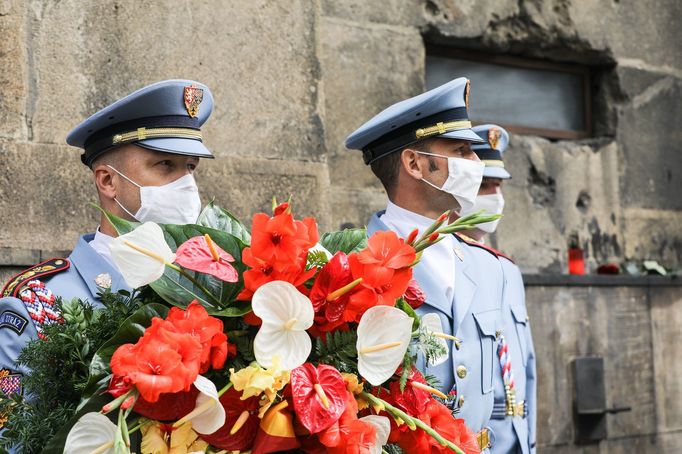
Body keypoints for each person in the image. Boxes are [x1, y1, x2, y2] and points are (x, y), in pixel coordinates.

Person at [0, 79, 215, 434]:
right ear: (107, 181)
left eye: (190, 167)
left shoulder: (209, 287)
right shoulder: (39, 304)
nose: (185, 185)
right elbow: (15, 437)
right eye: (165, 165)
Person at [345, 78, 504, 451]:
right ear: (414, 163)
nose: (476, 164)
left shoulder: (486, 267)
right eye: (462, 151)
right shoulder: (350, 269)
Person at [458, 125, 537, 453]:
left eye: (498, 186)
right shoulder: (441, 264)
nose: (495, 197)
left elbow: (528, 366)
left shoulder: (508, 268)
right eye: (483, 185)